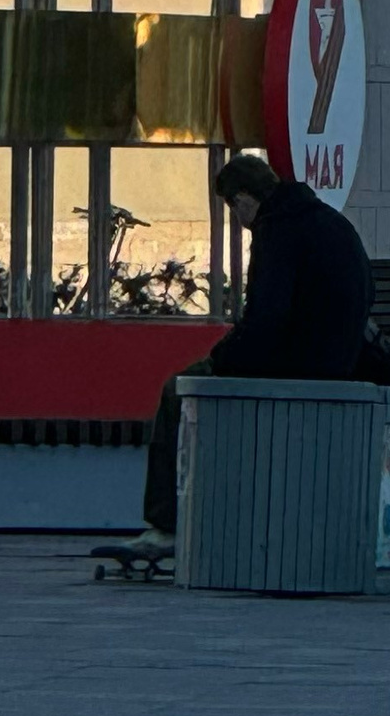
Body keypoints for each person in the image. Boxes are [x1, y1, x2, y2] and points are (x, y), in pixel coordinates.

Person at [140, 153, 377, 536]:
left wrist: (221, 358)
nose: (238, 219)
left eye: (234, 207)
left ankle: (167, 524)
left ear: (244, 199)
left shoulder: (277, 231)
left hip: (295, 366)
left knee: (179, 391)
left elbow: (265, 321)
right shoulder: (332, 222)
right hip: (341, 366)